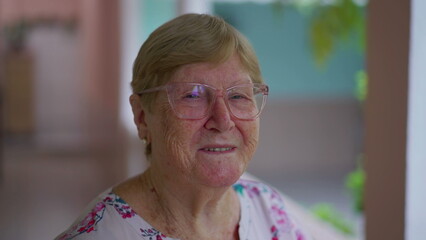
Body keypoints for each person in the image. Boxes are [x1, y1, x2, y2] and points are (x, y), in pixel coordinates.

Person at [56, 13, 311, 240]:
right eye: (193, 95)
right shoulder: (101, 234)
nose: (223, 121)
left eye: (238, 96)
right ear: (142, 116)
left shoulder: (269, 210)